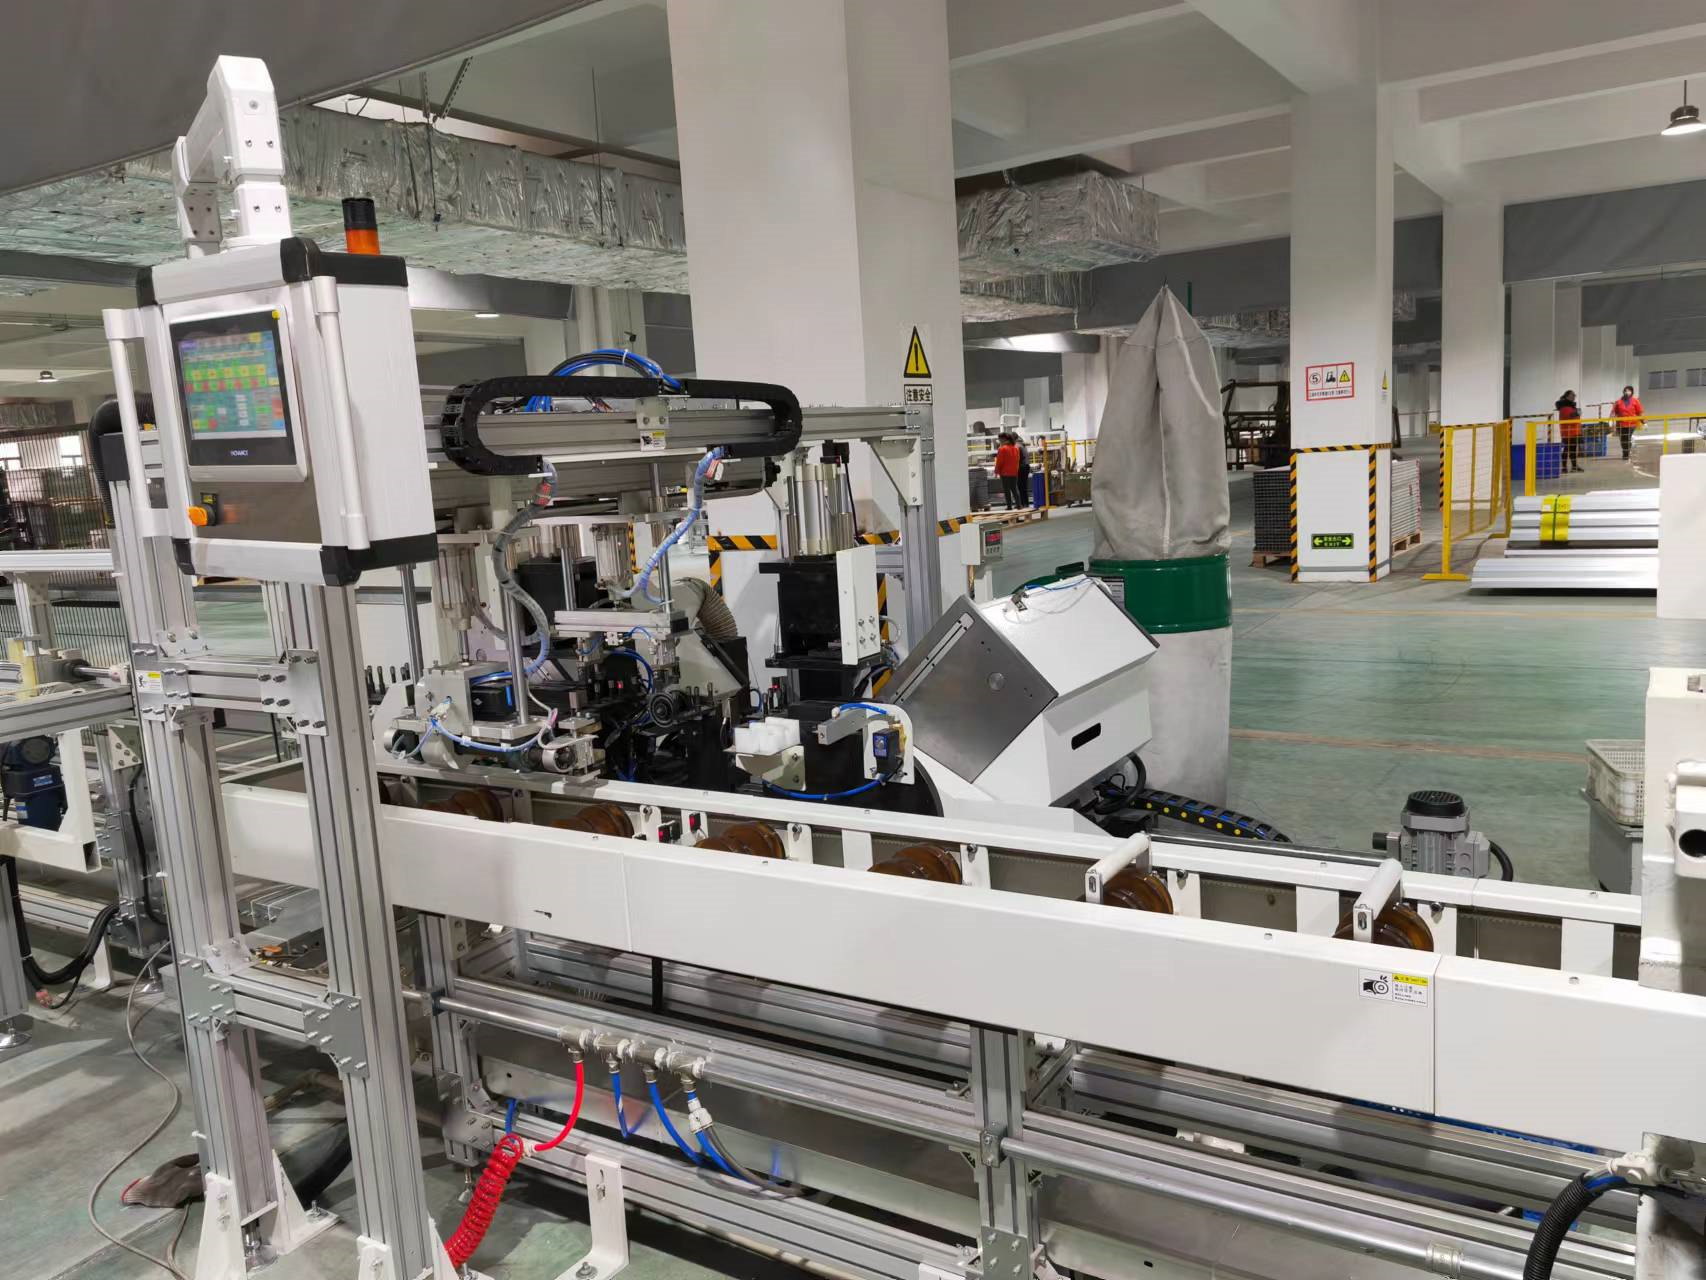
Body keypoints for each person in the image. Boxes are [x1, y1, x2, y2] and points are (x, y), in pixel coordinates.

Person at [1612, 384, 1644, 460]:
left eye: (1629, 391)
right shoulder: (1618, 402)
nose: (1627, 392)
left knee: (1627, 437)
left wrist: (1644, 422)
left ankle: (1626, 454)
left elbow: (1640, 412)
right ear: (1623, 392)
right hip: (1621, 424)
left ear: (1632, 392)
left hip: (1631, 424)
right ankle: (1626, 449)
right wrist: (1611, 421)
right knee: (1623, 439)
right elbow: (1614, 412)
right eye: (1625, 391)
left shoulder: (1635, 401)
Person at [1556, 389, 1583, 474]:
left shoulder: (1570, 406)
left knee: (1572, 450)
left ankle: (1574, 466)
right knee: (1567, 450)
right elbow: (1569, 418)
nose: (1574, 396)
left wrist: (1577, 413)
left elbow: (1572, 417)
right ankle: (1564, 468)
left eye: (1575, 395)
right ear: (1567, 396)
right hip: (1568, 433)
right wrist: (1577, 414)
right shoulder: (1565, 407)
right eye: (1572, 395)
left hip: (1573, 432)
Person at [994, 432, 1022, 509]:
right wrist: (1016, 470)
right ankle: (1019, 505)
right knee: (1014, 489)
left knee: (1007, 490)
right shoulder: (1015, 448)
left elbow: (999, 462)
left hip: (1005, 473)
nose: (999, 441)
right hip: (1014, 472)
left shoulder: (1002, 449)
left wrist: (996, 471)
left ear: (1003, 439)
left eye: (999, 439)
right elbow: (1017, 460)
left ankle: (1009, 506)